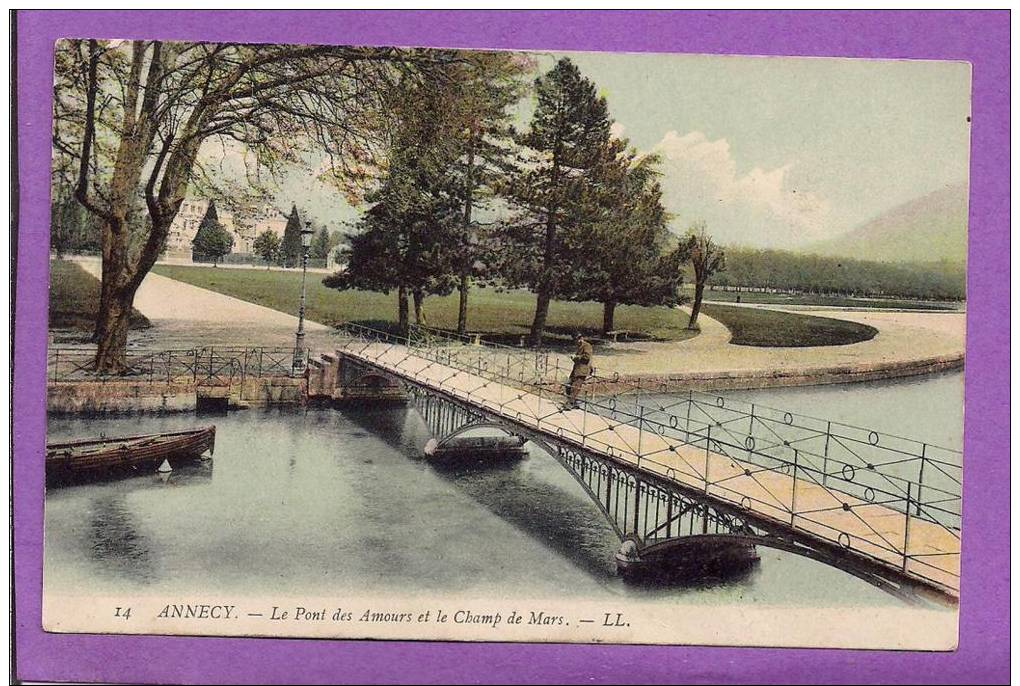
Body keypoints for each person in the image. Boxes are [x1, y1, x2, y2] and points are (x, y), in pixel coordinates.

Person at [564, 332, 593, 409]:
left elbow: (587, 357)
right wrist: (574, 358)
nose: (575, 342)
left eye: (576, 340)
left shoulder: (587, 346)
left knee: (575, 387)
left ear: (580, 339)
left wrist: (576, 357)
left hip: (582, 370)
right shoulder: (580, 346)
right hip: (576, 369)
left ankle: (570, 404)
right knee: (568, 385)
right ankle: (574, 403)